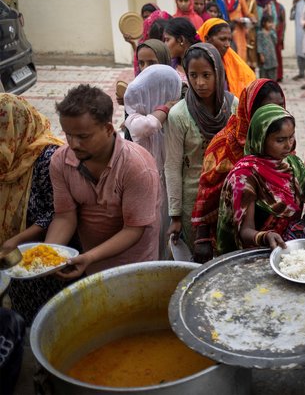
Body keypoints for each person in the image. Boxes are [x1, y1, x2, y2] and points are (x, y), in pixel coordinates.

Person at [44, 85, 160, 279]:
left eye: (83, 136)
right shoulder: (60, 161)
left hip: (136, 267)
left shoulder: (137, 166)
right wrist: (47, 256)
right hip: (91, 267)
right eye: (68, 134)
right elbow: (65, 217)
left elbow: (133, 230)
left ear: (107, 129)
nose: (73, 144)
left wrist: (89, 257)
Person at [192, 79, 285, 260]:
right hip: (234, 232)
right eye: (267, 109)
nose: (277, 115)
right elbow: (207, 192)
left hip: (278, 238)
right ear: (250, 109)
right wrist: (201, 238)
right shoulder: (224, 144)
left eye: (281, 106)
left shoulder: (283, 141)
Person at [0, 94, 67, 326]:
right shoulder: (5, 159)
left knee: (50, 319)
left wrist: (16, 240)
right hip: (10, 260)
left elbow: (56, 213)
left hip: (41, 258)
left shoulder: (48, 157)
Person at [165, 44, 236, 253]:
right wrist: (175, 215)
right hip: (193, 200)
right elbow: (172, 165)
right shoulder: (179, 115)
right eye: (193, 75)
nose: (200, 83)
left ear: (218, 73)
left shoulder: (233, 107)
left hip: (228, 196)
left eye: (206, 75)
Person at [217, 105, 305, 254]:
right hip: (257, 253)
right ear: (261, 139)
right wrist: (264, 236)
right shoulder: (245, 176)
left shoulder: (294, 164)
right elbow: (245, 231)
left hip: (291, 250)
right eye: (280, 140)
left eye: (291, 137)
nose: (288, 145)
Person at [124, 65, 182, 256]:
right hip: (147, 185)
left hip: (173, 182)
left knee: (169, 235)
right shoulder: (133, 117)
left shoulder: (180, 114)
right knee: (150, 234)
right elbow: (148, 126)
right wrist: (165, 107)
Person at [197, 18, 257, 97]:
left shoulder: (231, 60)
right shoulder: (196, 61)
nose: (227, 44)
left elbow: (250, 79)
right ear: (207, 39)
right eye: (223, 39)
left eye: (229, 40)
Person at [265, 0, 286, 82]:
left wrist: (282, 35)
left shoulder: (280, 7)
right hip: (267, 34)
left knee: (278, 55)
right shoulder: (265, 6)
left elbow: (283, 21)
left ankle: (279, 75)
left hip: (278, 33)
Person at [238, 0, 259, 69]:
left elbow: (255, 18)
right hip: (239, 31)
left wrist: (249, 19)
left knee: (251, 56)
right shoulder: (236, 2)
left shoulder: (252, 2)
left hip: (250, 32)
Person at [257, 14, 278, 80]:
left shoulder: (271, 33)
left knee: (273, 77)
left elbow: (275, 41)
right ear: (263, 23)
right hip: (264, 58)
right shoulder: (260, 33)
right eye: (269, 22)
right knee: (264, 77)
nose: (271, 24)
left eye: (272, 22)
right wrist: (261, 55)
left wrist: (273, 31)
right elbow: (259, 45)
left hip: (272, 58)